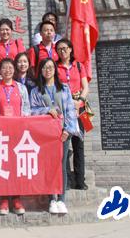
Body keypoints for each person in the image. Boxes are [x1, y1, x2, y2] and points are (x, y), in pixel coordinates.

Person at [30, 58, 79, 215]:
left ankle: (61, 199)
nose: (48, 70)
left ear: (55, 70)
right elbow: (31, 111)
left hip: (63, 134)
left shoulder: (64, 88)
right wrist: (46, 110)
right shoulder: (36, 91)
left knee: (61, 166)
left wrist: (68, 130)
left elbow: (70, 111)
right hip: (46, 135)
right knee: (49, 166)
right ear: (41, 71)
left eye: (50, 67)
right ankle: (52, 198)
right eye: (45, 67)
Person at [0, 58, 30, 215]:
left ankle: (17, 199)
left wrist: (23, 120)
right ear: (0, 71)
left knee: (16, 166)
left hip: (18, 133)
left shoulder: (21, 88)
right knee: (2, 166)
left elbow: (27, 108)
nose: (7, 70)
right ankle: (4, 199)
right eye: (4, 68)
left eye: (10, 67)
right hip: (0, 134)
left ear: (14, 70)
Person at [55, 38, 90, 190]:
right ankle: (67, 180)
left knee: (79, 145)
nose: (62, 51)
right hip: (64, 110)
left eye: (65, 48)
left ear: (70, 49)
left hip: (79, 108)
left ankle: (80, 180)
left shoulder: (79, 65)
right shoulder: (55, 67)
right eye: (59, 49)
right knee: (64, 146)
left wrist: (79, 101)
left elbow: (85, 87)